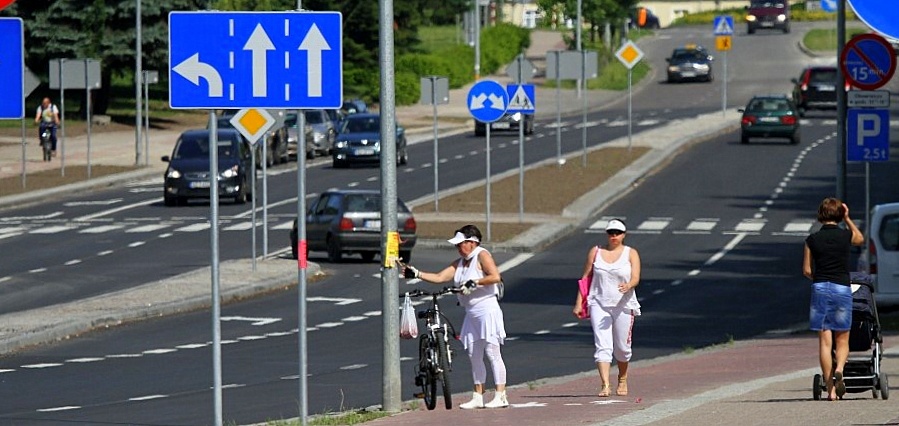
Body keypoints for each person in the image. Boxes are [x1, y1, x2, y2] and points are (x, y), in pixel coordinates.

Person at [401, 224, 509, 409]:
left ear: (471, 242)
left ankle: (501, 394)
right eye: (457, 245)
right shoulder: (460, 262)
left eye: (460, 244)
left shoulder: (482, 255)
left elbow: (495, 277)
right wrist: (417, 273)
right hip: (471, 313)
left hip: (487, 310)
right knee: (474, 354)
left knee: (492, 353)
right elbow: (440, 277)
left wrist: (474, 282)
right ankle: (478, 395)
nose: (458, 248)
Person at [802, 198, 864, 401]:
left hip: (820, 288)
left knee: (824, 342)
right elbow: (860, 239)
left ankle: (830, 390)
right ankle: (840, 369)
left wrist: (819, 278)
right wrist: (847, 218)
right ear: (838, 215)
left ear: (821, 215)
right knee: (842, 339)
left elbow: (807, 270)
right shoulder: (845, 236)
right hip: (841, 288)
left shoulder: (812, 239)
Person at [573, 219, 641, 397]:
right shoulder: (596, 252)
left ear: (624, 234)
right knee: (602, 346)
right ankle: (605, 384)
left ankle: (623, 378)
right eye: (611, 233)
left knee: (622, 348)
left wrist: (629, 286)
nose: (614, 236)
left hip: (623, 305)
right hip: (599, 303)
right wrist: (579, 302)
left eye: (617, 233)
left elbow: (636, 277)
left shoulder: (630, 253)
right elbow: (586, 278)